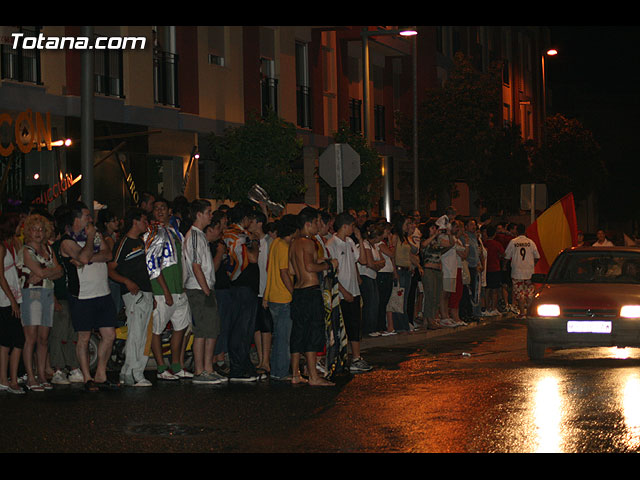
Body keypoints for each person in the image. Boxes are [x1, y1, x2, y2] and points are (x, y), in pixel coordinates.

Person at [59, 202, 118, 392]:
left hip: (103, 292)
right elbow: (83, 258)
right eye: (86, 216)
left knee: (110, 335)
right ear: (76, 219)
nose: (90, 220)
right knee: (83, 337)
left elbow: (108, 255)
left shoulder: (97, 235)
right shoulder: (67, 241)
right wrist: (91, 241)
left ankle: (101, 373)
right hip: (83, 295)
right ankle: (87, 377)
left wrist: (88, 256)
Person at [144, 197, 193, 381]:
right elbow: (152, 266)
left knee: (181, 327)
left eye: (163, 208)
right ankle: (161, 367)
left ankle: (176, 365)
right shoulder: (152, 233)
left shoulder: (174, 232)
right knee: (157, 329)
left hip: (179, 290)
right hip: (162, 291)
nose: (160, 211)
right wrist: (164, 291)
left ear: (169, 211)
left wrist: (184, 285)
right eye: (156, 208)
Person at [288, 207, 338, 386]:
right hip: (310, 291)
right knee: (312, 333)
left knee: (298, 333)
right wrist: (329, 266)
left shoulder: (293, 243)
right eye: (317, 222)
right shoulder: (308, 243)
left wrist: (319, 262)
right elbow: (309, 267)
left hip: (299, 291)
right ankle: (313, 376)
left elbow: (292, 269)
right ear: (308, 224)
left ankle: (295, 374)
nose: (319, 225)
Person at [108, 207, 154, 387]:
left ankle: (128, 372)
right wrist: (127, 282)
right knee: (136, 334)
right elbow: (111, 268)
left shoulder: (141, 243)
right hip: (134, 294)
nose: (146, 224)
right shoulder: (124, 243)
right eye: (144, 220)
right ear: (135, 221)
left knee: (143, 334)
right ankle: (136, 372)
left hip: (146, 292)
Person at [182, 200, 226, 385]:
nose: (210, 215)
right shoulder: (193, 236)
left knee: (211, 329)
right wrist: (206, 289)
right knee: (202, 330)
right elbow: (195, 265)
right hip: (199, 289)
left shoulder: (200, 236)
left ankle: (208, 368)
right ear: (198, 214)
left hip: (205, 288)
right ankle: (200, 370)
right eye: (208, 212)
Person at [20, 213, 63, 392]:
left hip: (47, 292)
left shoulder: (49, 249)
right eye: (34, 229)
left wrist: (45, 272)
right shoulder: (26, 250)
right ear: (28, 231)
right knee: (31, 337)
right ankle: (30, 377)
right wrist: (47, 271)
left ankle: (42, 375)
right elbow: (44, 270)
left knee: (44, 338)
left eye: (41, 229)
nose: (38, 232)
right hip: (32, 294)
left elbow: (58, 272)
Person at [326, 212, 372, 373]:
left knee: (355, 325)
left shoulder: (350, 242)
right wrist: (342, 291)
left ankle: (356, 357)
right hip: (341, 292)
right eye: (352, 225)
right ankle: (338, 359)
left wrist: (360, 240)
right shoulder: (332, 244)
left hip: (354, 290)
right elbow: (330, 273)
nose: (354, 228)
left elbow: (363, 261)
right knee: (340, 327)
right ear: (345, 226)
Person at [223, 204, 261, 382]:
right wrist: (255, 242)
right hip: (243, 285)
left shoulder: (229, 233)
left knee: (243, 327)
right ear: (245, 219)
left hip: (238, 286)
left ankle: (243, 364)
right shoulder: (240, 236)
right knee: (242, 328)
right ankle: (238, 368)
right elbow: (252, 258)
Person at [49, 208, 83, 385]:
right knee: (59, 333)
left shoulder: (65, 244)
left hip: (72, 295)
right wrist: (53, 297)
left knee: (72, 333)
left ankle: (73, 366)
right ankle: (58, 369)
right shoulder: (58, 246)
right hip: (61, 295)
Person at [264, 214, 297, 381]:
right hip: (283, 297)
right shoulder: (284, 246)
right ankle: (281, 372)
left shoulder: (275, 243)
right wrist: (293, 292)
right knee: (284, 338)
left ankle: (277, 369)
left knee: (278, 336)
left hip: (273, 296)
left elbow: (270, 269)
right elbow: (284, 272)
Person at [0, 213, 25, 394]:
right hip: (5, 299)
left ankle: (10, 378)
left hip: (13, 296)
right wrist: (12, 301)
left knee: (13, 340)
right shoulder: (1, 248)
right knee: (10, 340)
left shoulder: (11, 244)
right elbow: (0, 276)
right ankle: (7, 379)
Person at [250, 211, 273, 378]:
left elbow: (271, 270)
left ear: (258, 223)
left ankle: (266, 360)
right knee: (256, 327)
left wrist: (267, 292)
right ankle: (260, 359)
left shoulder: (269, 242)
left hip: (265, 290)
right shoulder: (252, 241)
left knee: (266, 327)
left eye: (251, 221)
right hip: (253, 290)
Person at [420, 220, 452, 329]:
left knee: (437, 295)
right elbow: (423, 245)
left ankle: (429, 318)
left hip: (438, 270)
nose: (435, 230)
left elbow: (450, 245)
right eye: (432, 228)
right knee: (430, 295)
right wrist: (434, 236)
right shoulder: (425, 240)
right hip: (429, 270)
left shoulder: (437, 242)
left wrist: (448, 234)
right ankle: (430, 319)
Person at [504, 223, 540, 317]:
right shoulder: (531, 242)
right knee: (529, 293)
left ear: (516, 231)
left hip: (517, 272)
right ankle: (530, 313)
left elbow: (506, 256)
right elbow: (537, 256)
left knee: (520, 294)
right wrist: (532, 264)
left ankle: (522, 313)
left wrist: (504, 266)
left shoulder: (513, 242)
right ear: (525, 231)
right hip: (529, 272)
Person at [357, 221, 385, 336]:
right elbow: (369, 263)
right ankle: (367, 329)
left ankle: (372, 327)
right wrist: (376, 264)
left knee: (375, 302)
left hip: (373, 275)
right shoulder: (365, 245)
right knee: (370, 302)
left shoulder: (375, 246)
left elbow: (382, 261)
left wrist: (376, 264)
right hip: (365, 275)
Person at [481, 225, 504, 316]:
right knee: (494, 290)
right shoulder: (497, 244)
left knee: (487, 289)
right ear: (494, 234)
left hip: (486, 269)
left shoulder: (484, 243)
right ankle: (493, 308)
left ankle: (487, 308)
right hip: (495, 268)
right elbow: (503, 254)